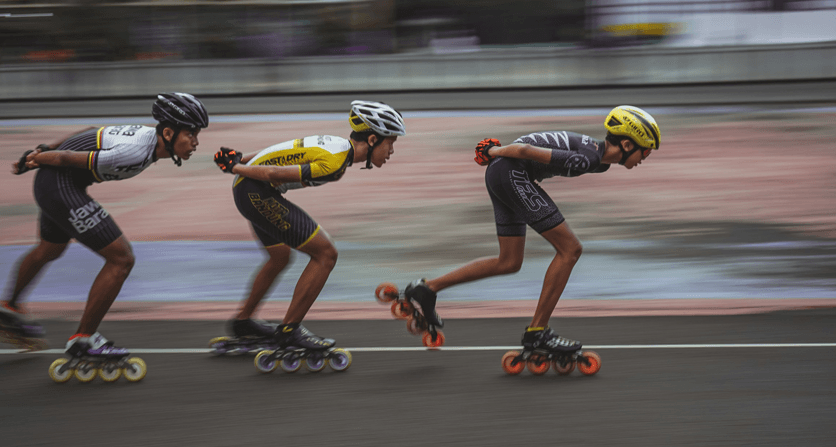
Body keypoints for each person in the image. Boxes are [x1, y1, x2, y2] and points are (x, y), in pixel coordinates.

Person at [398, 105, 660, 355]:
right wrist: (493, 152)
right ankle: (538, 332)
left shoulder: (596, 156)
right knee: (570, 250)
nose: (645, 158)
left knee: (509, 262)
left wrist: (496, 156)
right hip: (511, 171)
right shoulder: (587, 158)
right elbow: (524, 151)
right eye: (646, 152)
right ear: (627, 145)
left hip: (503, 174)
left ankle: (427, 288)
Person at [1, 92, 209, 359]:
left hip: (57, 183)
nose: (195, 142)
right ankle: (83, 340)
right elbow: (65, 159)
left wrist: (44, 150)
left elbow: (89, 131)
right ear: (168, 133)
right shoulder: (135, 152)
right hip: (59, 184)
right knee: (121, 259)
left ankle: (10, 306)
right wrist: (37, 158)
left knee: (50, 249)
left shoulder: (146, 137)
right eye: (191, 134)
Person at [212, 99, 405, 353]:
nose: (391, 151)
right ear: (372, 140)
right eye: (390, 143)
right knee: (326, 254)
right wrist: (236, 165)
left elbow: (279, 151)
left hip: (249, 189)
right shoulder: (335, 162)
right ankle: (289, 331)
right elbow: (274, 174)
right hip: (256, 191)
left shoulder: (335, 145)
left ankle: (243, 323)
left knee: (279, 257)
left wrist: (240, 160)